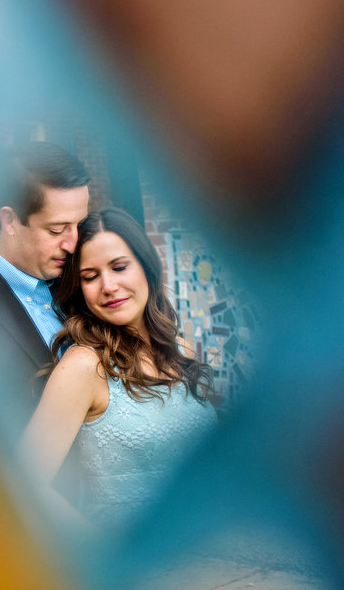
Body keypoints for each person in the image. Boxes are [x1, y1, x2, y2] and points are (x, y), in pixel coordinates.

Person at [20, 207, 216, 528]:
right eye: (90, 276)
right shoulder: (85, 366)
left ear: (147, 268)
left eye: (119, 267)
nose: (108, 286)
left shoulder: (181, 349)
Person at [0, 141, 91, 432]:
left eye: (80, 225)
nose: (73, 243)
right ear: (10, 220)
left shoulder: (91, 284)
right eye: (56, 229)